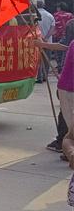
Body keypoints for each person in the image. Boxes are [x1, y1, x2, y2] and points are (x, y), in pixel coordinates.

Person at [36, 22, 74, 162]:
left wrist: (42, 44)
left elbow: (63, 45)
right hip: (67, 84)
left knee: (68, 123)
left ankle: (66, 148)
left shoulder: (72, 34)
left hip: (69, 88)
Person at [36, 0, 55, 82]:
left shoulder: (34, 16)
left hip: (37, 41)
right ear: (44, 5)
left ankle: (39, 77)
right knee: (47, 60)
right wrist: (46, 38)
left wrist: (41, 37)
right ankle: (45, 76)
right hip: (48, 42)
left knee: (38, 60)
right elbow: (52, 28)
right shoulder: (50, 15)